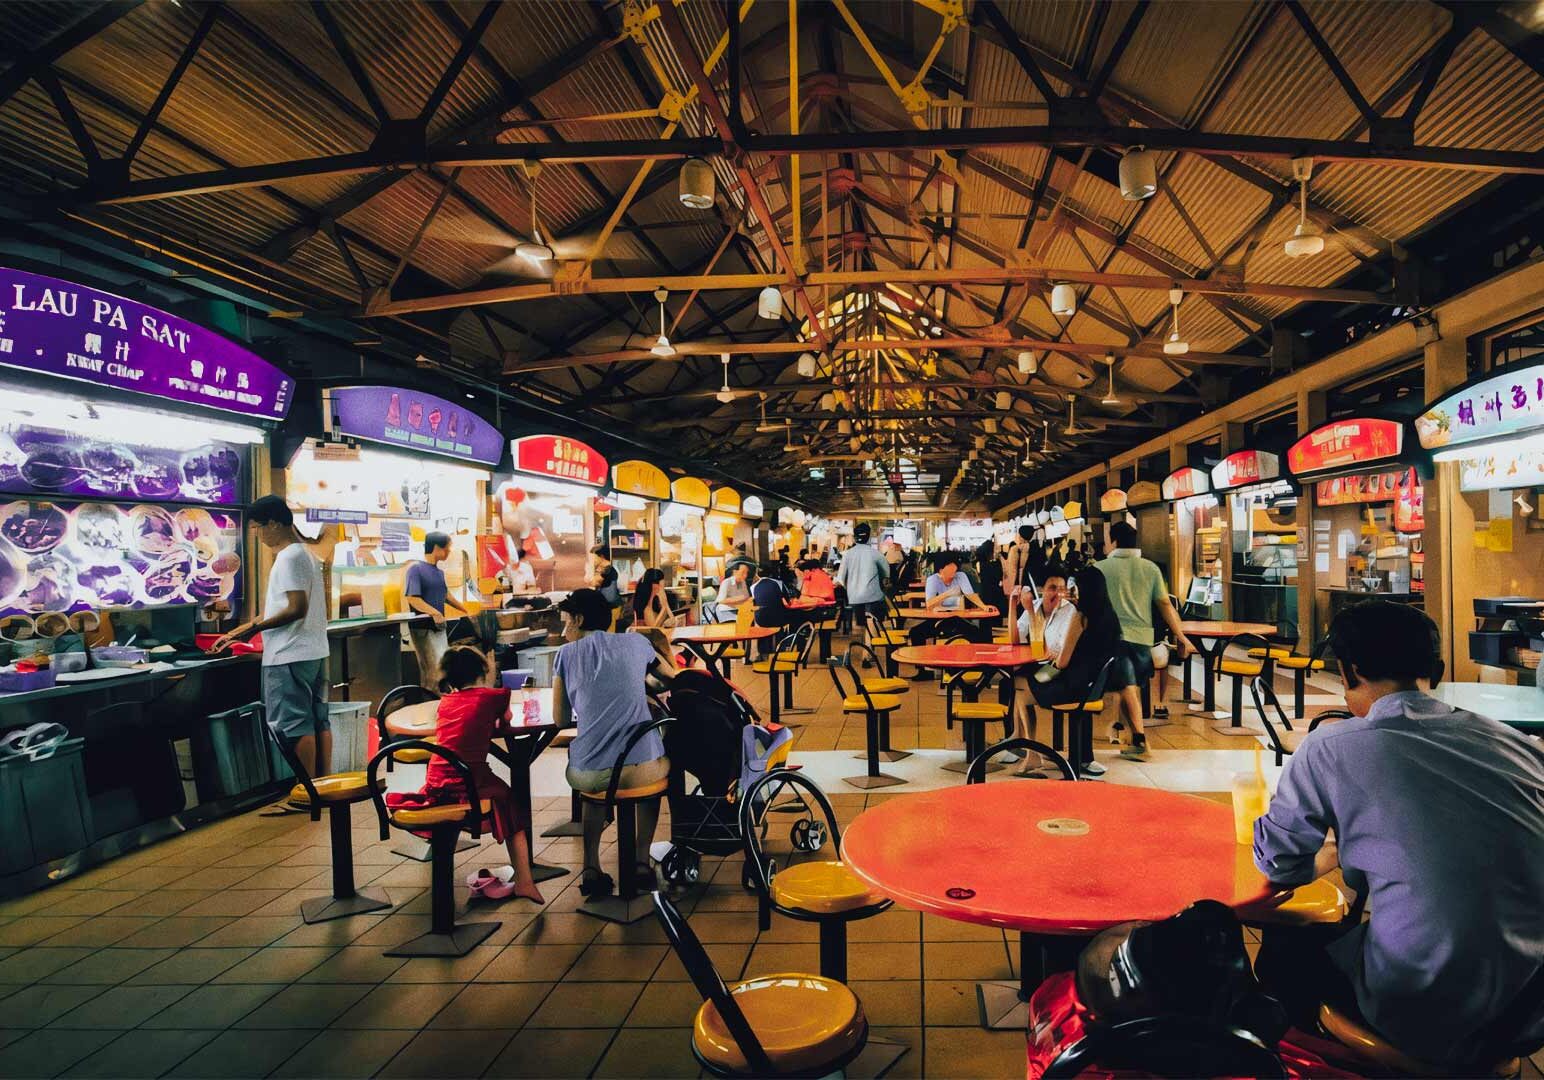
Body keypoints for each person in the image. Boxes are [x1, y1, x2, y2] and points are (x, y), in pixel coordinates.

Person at [1253, 600, 1544, 1069]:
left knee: (1283, 952)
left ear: (1348, 673)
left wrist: (1334, 848)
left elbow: (1278, 864)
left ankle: (1326, 1064)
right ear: (1438, 668)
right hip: (1526, 1010)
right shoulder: (1520, 746)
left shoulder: (1331, 745)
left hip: (1420, 1006)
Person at [386, 646, 543, 904]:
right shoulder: (494, 697)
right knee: (511, 805)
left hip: (436, 780)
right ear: (483, 671)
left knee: (491, 794)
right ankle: (525, 881)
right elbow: (506, 720)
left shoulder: (446, 702)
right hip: (470, 779)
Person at [553, 588, 679, 898]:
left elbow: (559, 719)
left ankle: (592, 866)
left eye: (566, 621)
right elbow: (672, 677)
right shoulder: (636, 642)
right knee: (655, 769)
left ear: (579, 619)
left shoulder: (565, 655)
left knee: (595, 792)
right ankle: (639, 862)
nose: (563, 629)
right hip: (641, 770)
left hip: (589, 773)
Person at [213, 496, 331, 779]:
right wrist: (239, 630)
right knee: (318, 721)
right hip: (314, 651)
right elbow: (282, 607)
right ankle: (322, 784)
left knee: (293, 724)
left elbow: (296, 608)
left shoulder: (289, 557)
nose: (256, 535)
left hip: (288, 654)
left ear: (274, 524)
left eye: (257, 528)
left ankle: (306, 790)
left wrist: (254, 629)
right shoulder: (306, 554)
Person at [1095, 521, 1196, 762]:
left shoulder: (1099, 568)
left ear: (1114, 541)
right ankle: (1128, 736)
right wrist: (1180, 636)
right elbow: (1165, 605)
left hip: (1112, 638)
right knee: (1128, 686)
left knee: (1127, 687)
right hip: (1142, 641)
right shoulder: (1150, 569)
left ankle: (1140, 739)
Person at [1026, 564, 1123, 776]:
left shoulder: (1080, 617)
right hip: (1094, 687)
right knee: (1035, 681)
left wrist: (1051, 661)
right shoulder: (1110, 617)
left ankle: (1028, 754)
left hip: (1074, 688)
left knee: (1020, 686)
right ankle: (1082, 758)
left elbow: (1061, 663)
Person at [1006, 560, 1077, 777]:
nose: (1056, 594)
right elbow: (1014, 640)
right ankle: (1026, 744)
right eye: (1051, 588)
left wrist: (1029, 611)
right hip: (1042, 666)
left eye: (1060, 588)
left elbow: (1046, 650)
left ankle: (1026, 745)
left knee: (1020, 684)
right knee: (1017, 678)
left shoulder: (1070, 612)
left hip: (1059, 670)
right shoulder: (1035, 606)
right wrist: (1012, 605)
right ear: (1041, 589)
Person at [404, 531, 472, 691]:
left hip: (439, 627)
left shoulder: (439, 572)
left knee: (443, 667)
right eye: (447, 548)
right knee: (432, 670)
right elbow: (412, 598)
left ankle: (442, 702)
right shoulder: (415, 569)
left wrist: (465, 610)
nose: (449, 551)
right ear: (436, 547)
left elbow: (446, 595)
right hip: (423, 627)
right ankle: (431, 703)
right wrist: (434, 612)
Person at [910, 552, 991, 647]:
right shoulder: (933, 580)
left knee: (980, 633)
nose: (953, 575)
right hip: (939, 619)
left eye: (954, 572)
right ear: (940, 571)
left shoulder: (960, 576)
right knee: (915, 633)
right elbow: (929, 604)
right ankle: (922, 661)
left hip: (958, 618)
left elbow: (971, 595)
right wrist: (947, 594)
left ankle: (981, 658)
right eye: (950, 573)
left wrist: (983, 606)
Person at [835, 523, 889, 642]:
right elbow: (886, 578)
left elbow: (840, 579)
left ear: (855, 537)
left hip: (855, 599)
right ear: (869, 537)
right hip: (873, 598)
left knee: (864, 624)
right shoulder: (877, 555)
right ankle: (869, 651)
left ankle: (867, 648)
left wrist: (852, 588)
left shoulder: (847, 555)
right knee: (874, 620)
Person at [973, 539, 1006, 618]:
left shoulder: (978, 563)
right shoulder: (995, 564)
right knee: (995, 615)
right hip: (995, 592)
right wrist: (1000, 558)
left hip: (984, 591)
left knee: (986, 616)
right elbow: (1003, 574)